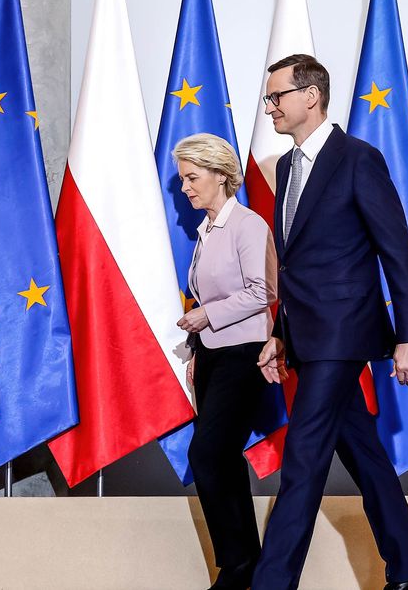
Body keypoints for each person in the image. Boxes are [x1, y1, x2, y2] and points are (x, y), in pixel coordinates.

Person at [251, 54, 408, 590]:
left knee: (303, 460)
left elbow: (398, 250)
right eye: (268, 98)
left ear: (311, 96)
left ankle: (271, 584)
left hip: (344, 334)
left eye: (277, 96)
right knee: (364, 454)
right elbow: (295, 264)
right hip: (306, 336)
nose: (270, 107)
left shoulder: (358, 159)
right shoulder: (285, 168)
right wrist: (281, 334)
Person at [172, 133, 280, 590]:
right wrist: (198, 348)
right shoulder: (207, 230)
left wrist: (206, 316)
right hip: (214, 357)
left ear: (220, 175)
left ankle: (235, 568)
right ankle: (243, 565)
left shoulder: (248, 225)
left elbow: (264, 291)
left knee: (207, 454)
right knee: (223, 457)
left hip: (244, 356)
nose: (185, 188)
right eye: (182, 179)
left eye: (192, 178)